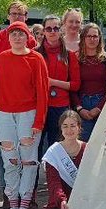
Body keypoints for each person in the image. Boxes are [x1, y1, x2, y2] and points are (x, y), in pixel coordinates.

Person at [0, 20, 50, 209]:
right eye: (13, 34)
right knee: (10, 159)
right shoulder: (2, 57)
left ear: (27, 36)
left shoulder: (36, 58)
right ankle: (13, 204)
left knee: (28, 160)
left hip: (28, 113)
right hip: (4, 113)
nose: (17, 37)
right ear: (8, 37)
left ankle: (25, 204)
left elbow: (43, 91)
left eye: (21, 33)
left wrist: (39, 120)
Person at [38, 14, 81, 148]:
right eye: (49, 29)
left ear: (61, 29)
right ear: (44, 31)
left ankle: (54, 169)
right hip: (39, 105)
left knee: (56, 146)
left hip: (60, 106)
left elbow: (76, 85)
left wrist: (53, 82)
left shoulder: (69, 54)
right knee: (36, 146)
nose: (52, 32)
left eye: (55, 28)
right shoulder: (35, 53)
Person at [42, 109, 85, 209]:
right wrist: (62, 200)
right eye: (65, 126)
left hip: (83, 202)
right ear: (60, 129)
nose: (69, 130)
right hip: (60, 203)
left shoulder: (87, 149)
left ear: (79, 127)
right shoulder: (53, 153)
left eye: (73, 126)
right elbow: (54, 182)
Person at [74, 23, 106, 139]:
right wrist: (79, 108)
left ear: (99, 38)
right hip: (82, 104)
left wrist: (99, 108)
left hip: (102, 104)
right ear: (83, 38)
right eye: (88, 36)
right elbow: (72, 87)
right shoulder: (75, 59)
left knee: (101, 143)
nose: (92, 39)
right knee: (84, 143)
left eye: (95, 36)